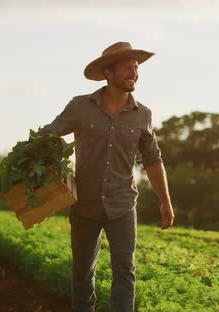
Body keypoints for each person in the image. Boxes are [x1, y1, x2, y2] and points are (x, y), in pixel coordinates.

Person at [44, 41, 175, 312]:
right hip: (84, 205)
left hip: (123, 205)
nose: (134, 72)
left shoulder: (143, 115)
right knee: (82, 273)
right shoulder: (80, 107)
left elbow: (153, 159)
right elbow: (48, 135)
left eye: (136, 67)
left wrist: (165, 201)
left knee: (125, 272)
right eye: (127, 67)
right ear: (108, 72)